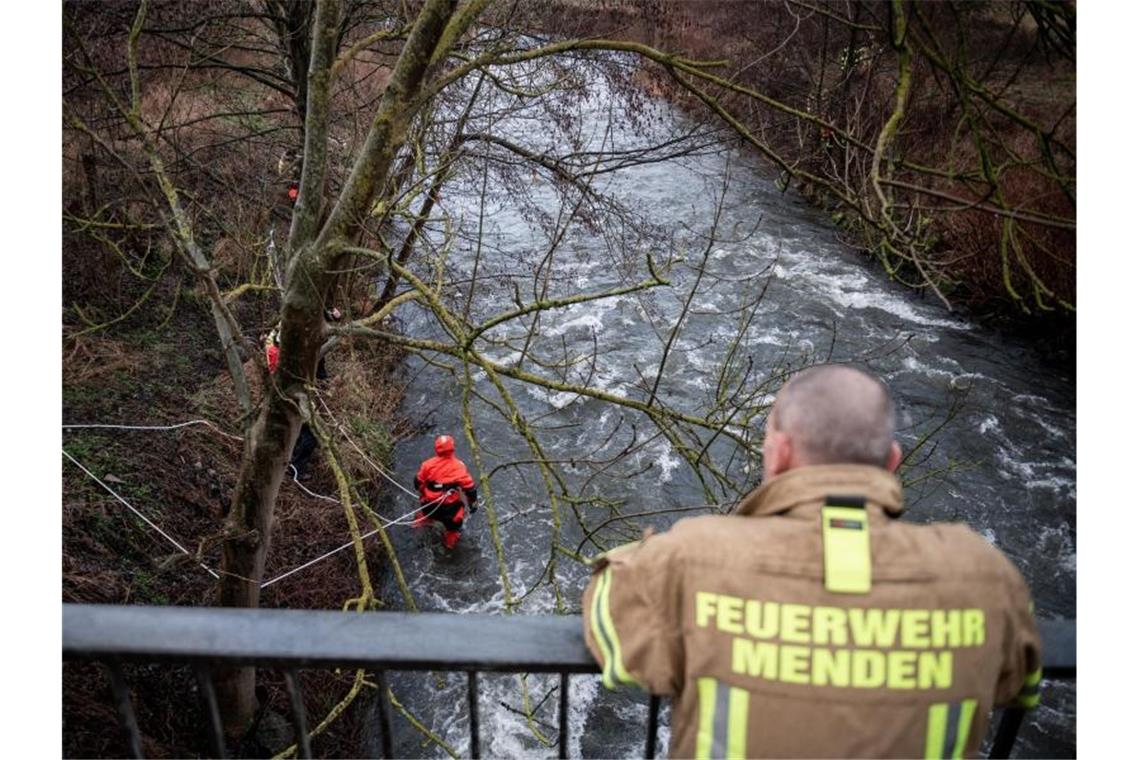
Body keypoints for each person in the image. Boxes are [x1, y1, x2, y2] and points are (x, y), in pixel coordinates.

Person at [582, 365, 1041, 759]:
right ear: (893, 461)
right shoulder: (986, 575)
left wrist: (643, 556)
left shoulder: (692, 556)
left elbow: (612, 633)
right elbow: (1016, 686)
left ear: (779, 453)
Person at [414, 435, 479, 549]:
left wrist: (423, 494)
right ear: (453, 448)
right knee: (453, 529)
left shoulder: (427, 465)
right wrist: (472, 504)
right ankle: (449, 544)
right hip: (450, 511)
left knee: (425, 514)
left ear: (436, 449)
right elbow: (470, 489)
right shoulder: (459, 466)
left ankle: (422, 522)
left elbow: (418, 483)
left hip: (429, 507)